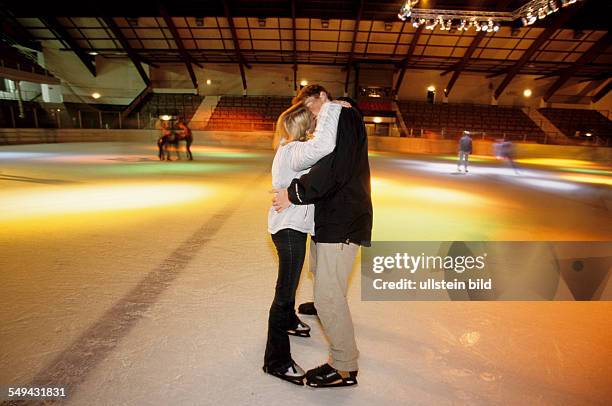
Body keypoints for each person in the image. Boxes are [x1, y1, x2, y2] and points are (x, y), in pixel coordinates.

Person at [273, 86, 373, 388]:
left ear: (321, 99)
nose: (310, 117)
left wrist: (294, 193)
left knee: (329, 293)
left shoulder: (339, 114)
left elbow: (333, 170)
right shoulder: (338, 117)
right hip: (331, 216)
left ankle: (344, 367)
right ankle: (323, 303)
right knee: (322, 273)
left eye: (310, 108)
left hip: (341, 220)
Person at [264, 96, 345, 385]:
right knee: (285, 292)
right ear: (302, 127)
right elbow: (324, 145)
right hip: (289, 230)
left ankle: (288, 321)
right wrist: (333, 109)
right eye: (311, 123)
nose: (314, 128)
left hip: (291, 227)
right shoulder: (295, 150)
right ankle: (276, 360)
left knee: (290, 286)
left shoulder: (289, 149)